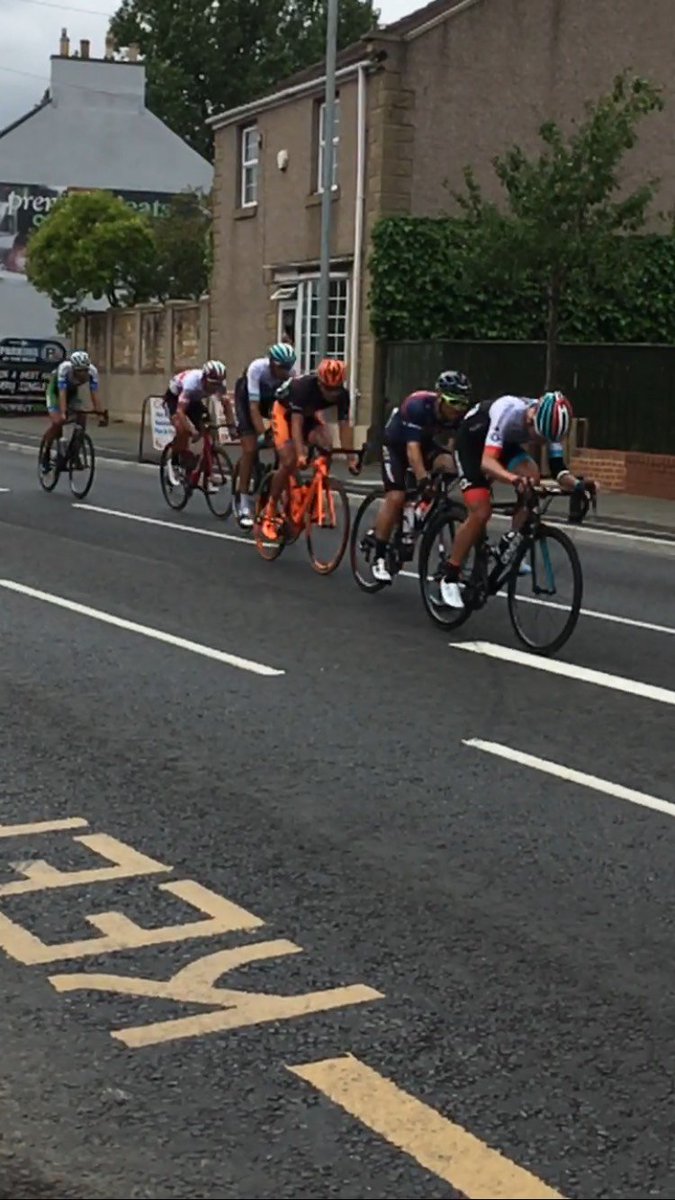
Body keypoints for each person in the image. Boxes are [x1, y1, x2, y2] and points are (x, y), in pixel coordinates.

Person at [443, 390, 592, 609]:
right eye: (539, 437)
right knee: (481, 511)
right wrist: (512, 478)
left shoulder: (550, 426)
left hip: (503, 444)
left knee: (532, 475)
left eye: (547, 440)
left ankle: (514, 542)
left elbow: (559, 470)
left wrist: (579, 485)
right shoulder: (509, 411)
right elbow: (487, 462)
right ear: (532, 418)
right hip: (473, 441)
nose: (542, 443)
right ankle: (450, 576)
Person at [371, 370, 473, 583]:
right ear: (439, 397)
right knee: (397, 496)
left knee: (448, 465)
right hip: (397, 445)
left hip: (424, 444)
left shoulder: (461, 415)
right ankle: (379, 556)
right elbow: (412, 451)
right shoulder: (417, 405)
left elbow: (456, 447)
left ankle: (420, 514)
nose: (457, 409)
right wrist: (424, 479)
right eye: (453, 402)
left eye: (463, 404)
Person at [262, 358, 356, 540]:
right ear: (319, 382)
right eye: (328, 389)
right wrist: (301, 454)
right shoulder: (303, 388)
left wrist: (351, 458)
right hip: (284, 414)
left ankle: (315, 491)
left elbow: (345, 428)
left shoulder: (343, 396)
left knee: (327, 446)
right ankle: (270, 508)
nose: (332, 394)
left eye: (336, 389)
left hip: (309, 415)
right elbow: (296, 426)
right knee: (289, 461)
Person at [233, 343, 297, 530]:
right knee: (251, 448)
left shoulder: (291, 375)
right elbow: (253, 408)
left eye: (287, 368)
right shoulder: (256, 369)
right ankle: (244, 501)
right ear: (271, 363)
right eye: (280, 367)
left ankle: (276, 495)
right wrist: (263, 435)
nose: (284, 372)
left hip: (272, 399)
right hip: (247, 399)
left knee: (285, 446)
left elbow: (293, 409)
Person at [163, 360, 227, 483]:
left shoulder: (220, 385)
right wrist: (192, 430)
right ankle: (174, 461)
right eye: (212, 384)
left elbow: (226, 404)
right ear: (204, 378)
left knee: (209, 427)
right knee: (182, 430)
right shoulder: (191, 383)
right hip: (174, 398)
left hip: (194, 401)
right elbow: (180, 411)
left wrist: (232, 426)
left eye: (217, 385)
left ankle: (206, 470)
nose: (214, 388)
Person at [41, 350, 104, 473]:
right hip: (55, 392)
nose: (83, 374)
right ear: (73, 369)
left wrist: (100, 414)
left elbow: (95, 394)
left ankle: (74, 453)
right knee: (58, 421)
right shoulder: (65, 369)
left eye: (85, 370)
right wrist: (63, 412)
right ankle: (46, 454)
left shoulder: (92, 372)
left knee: (81, 418)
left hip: (72, 393)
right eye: (79, 371)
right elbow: (62, 393)